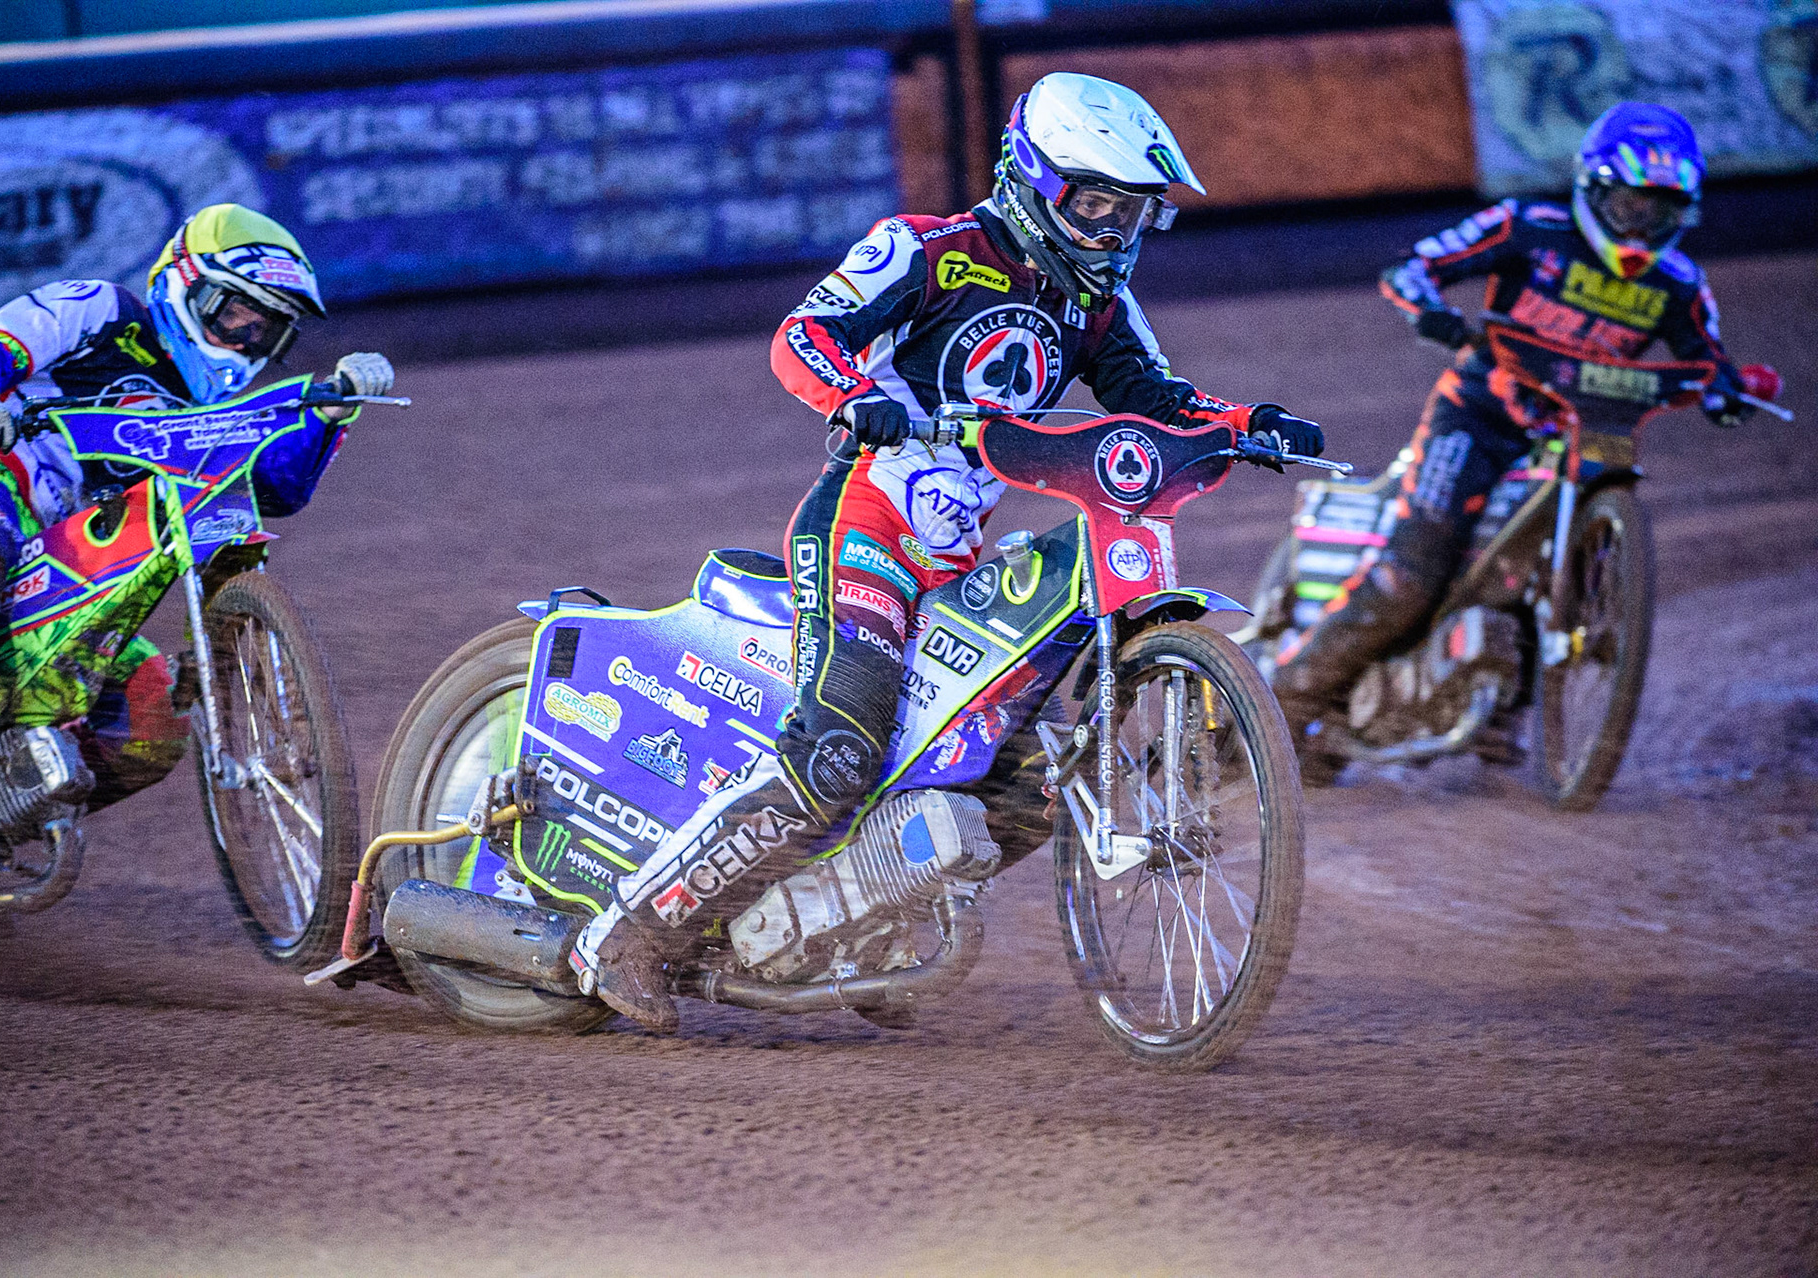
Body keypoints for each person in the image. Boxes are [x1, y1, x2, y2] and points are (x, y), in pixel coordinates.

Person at [570, 72, 1326, 1032]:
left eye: (1133, 212)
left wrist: (1253, 422)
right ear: (1035, 181)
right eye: (1097, 204)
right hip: (865, 526)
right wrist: (853, 394)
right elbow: (802, 334)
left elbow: (1157, 396)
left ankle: (865, 917)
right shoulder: (927, 250)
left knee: (1021, 779)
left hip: (958, 554)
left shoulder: (1100, 302)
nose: (1115, 230)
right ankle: (630, 934)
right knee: (840, 751)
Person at [1270, 102, 1755, 780]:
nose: (1642, 225)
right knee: (1418, 565)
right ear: (1591, 190)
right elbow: (1415, 267)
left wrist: (1726, 392)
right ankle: (1290, 701)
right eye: (1629, 205)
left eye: (1661, 212)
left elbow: (1711, 362)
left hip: (1573, 438)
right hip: (1476, 418)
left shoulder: (1680, 285)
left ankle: (1503, 704)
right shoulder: (1525, 226)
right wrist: (1431, 310)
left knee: (1546, 568)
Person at [0, 203, 393, 813]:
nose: (245, 337)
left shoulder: (215, 411)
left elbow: (275, 487)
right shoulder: (101, 308)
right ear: (186, 284)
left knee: (150, 725)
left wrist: (331, 412)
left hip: (65, 556)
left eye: (266, 328)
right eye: (235, 311)